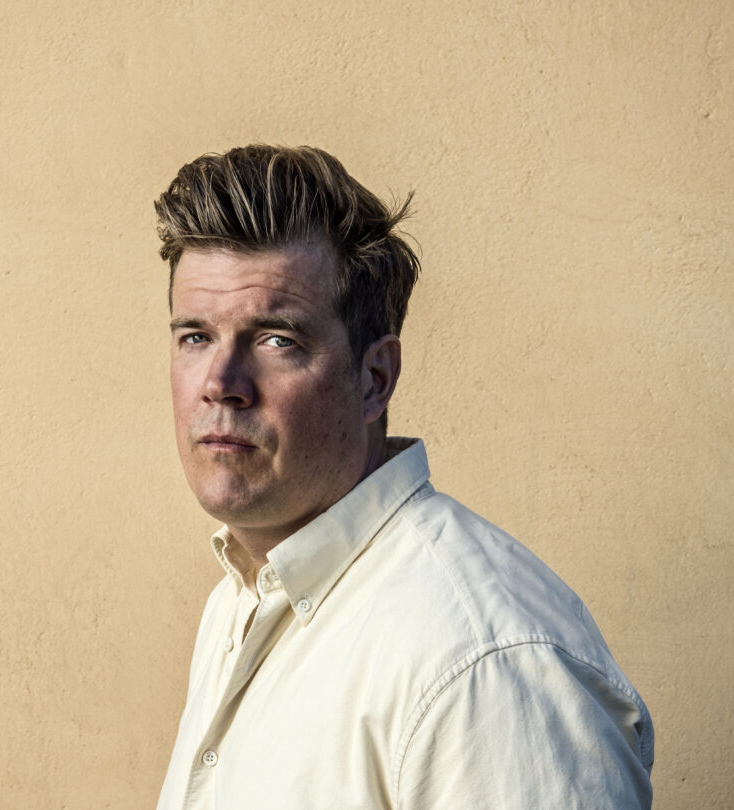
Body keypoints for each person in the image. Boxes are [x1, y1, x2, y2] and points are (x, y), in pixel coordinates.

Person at [153, 144, 654, 809]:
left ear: (374, 378)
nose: (220, 383)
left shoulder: (482, 662)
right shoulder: (240, 600)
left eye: (277, 339)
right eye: (195, 336)